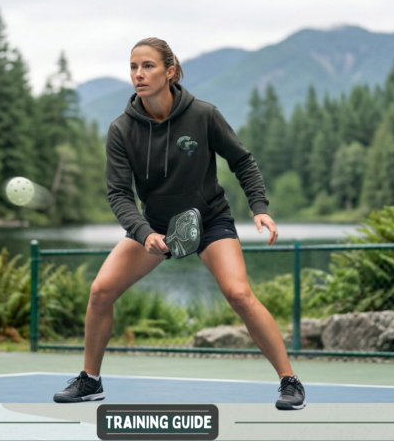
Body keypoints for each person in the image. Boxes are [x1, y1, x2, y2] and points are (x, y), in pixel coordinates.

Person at [53, 37, 306, 410]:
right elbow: (119, 194)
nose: (139, 74)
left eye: (148, 66)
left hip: (210, 220)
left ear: (170, 71)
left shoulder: (203, 115)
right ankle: (91, 380)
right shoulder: (121, 130)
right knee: (100, 291)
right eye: (133, 67)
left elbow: (242, 161)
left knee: (239, 294)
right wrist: (145, 233)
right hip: (154, 226)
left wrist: (260, 207)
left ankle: (290, 382)